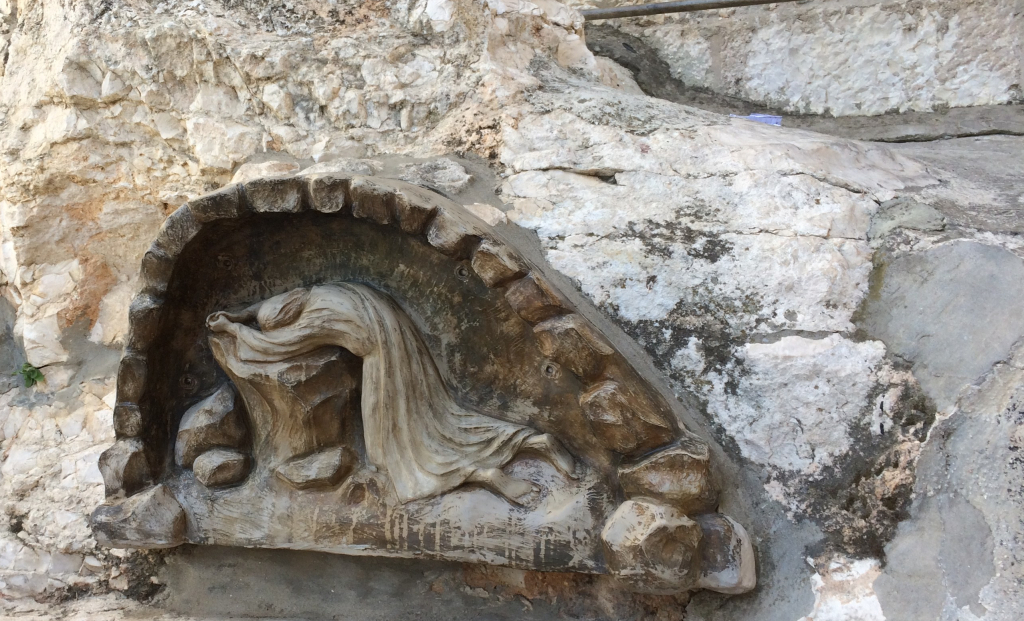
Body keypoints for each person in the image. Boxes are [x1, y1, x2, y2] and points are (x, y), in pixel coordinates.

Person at [207, 283, 575, 504]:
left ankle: (483, 475)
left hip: (383, 367)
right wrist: (239, 314)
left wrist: (234, 329)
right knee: (445, 420)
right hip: (407, 347)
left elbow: (271, 345)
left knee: (394, 453)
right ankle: (534, 441)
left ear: (290, 318)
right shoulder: (324, 292)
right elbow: (266, 309)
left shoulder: (313, 323)